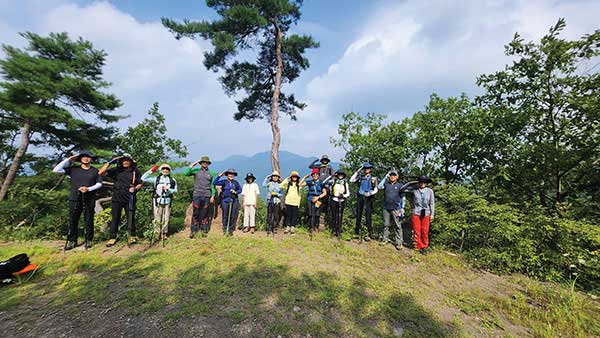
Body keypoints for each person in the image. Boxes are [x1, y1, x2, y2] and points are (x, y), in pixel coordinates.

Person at [52, 150, 102, 250]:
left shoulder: (95, 171)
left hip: (89, 198)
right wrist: (68, 159)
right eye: (83, 157)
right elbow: (56, 170)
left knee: (88, 219)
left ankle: (89, 240)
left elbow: (99, 184)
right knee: (73, 219)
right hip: (74, 198)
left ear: (91, 159)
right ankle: (72, 240)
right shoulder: (73, 169)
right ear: (80, 159)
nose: (86, 158)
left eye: (88, 157)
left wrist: (88, 189)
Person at [99, 154, 143, 247]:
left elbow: (139, 184)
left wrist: (135, 189)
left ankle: (131, 236)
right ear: (120, 161)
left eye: (127, 160)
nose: (125, 162)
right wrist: (111, 161)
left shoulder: (135, 171)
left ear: (131, 161)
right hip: (117, 196)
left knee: (130, 216)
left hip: (130, 196)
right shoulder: (116, 170)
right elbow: (101, 172)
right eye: (123, 160)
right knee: (115, 217)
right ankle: (112, 237)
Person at [141, 163, 177, 240]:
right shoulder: (156, 179)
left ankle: (164, 233)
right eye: (164, 169)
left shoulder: (172, 180)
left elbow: (175, 190)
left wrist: (169, 190)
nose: (165, 170)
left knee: (166, 217)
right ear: (161, 170)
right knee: (157, 217)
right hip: (157, 200)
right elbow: (143, 178)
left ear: (169, 171)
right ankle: (156, 233)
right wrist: (152, 170)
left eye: (167, 169)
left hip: (167, 200)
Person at [184, 156, 218, 238]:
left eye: (206, 162)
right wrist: (193, 164)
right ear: (201, 163)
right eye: (203, 162)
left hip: (206, 195)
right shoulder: (196, 171)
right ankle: (193, 231)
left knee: (205, 213)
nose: (205, 164)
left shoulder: (212, 173)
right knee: (195, 213)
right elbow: (186, 173)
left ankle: (203, 230)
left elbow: (213, 186)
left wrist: (213, 196)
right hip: (197, 194)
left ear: (208, 164)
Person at [378, 169, 406, 249]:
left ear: (397, 177)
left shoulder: (400, 185)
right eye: (391, 175)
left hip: (396, 208)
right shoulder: (386, 184)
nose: (392, 176)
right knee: (385, 224)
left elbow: (403, 197)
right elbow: (379, 187)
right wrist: (385, 177)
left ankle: (399, 242)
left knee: (398, 225)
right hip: (386, 207)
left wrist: (402, 208)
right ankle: (385, 239)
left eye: (394, 175)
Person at [350, 162, 378, 241]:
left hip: (369, 198)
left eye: (368, 168)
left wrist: (370, 193)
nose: (366, 170)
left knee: (368, 215)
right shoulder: (360, 177)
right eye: (365, 168)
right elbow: (351, 180)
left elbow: (376, 189)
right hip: (360, 196)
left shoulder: (373, 178)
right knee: (359, 214)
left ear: (370, 170)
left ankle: (368, 233)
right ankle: (357, 232)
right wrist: (357, 171)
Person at [213, 169, 242, 236]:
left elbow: (240, 190)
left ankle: (230, 230)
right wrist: (219, 176)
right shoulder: (224, 182)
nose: (231, 175)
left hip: (234, 200)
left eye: (232, 174)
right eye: (229, 174)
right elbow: (215, 183)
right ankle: (224, 229)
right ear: (227, 175)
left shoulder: (236, 183)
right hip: (225, 200)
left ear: (234, 175)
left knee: (232, 215)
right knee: (225, 215)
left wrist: (235, 192)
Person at [323, 169, 350, 239]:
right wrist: (332, 176)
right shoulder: (333, 181)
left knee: (340, 216)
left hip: (342, 201)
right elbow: (324, 182)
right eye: (339, 174)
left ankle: (339, 231)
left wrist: (343, 196)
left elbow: (348, 193)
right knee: (334, 216)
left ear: (343, 176)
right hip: (333, 200)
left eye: (342, 174)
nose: (340, 175)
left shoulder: (345, 183)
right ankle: (333, 230)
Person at [411, 176, 435, 254]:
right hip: (416, 213)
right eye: (421, 182)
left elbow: (432, 203)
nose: (422, 184)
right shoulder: (415, 191)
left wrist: (432, 214)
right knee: (417, 230)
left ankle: (424, 246)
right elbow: (404, 189)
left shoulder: (430, 191)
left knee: (425, 231)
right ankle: (418, 246)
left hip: (426, 213)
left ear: (426, 183)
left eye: (424, 182)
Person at [309, 155, 335, 224]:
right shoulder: (319, 166)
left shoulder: (329, 167)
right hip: (319, 187)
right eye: (324, 160)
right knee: (319, 202)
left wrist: (330, 183)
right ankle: (317, 217)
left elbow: (333, 175)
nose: (325, 161)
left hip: (326, 187)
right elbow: (310, 166)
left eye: (326, 160)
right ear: (322, 160)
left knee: (326, 202)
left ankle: (324, 216)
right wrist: (316, 160)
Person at [304, 168, 327, 234]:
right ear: (312, 175)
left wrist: (318, 197)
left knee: (317, 214)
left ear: (318, 175)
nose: (315, 175)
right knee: (310, 214)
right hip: (310, 199)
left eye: (316, 174)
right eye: (313, 174)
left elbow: (325, 193)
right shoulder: (310, 182)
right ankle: (311, 227)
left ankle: (316, 227)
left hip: (318, 200)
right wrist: (305, 177)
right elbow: (299, 184)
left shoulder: (321, 183)